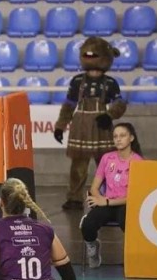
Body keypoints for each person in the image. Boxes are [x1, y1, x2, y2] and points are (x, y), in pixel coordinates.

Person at [54, 37, 127, 210]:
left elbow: (120, 103)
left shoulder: (110, 83)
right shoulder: (77, 81)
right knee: (78, 165)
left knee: (107, 164)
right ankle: (74, 198)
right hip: (81, 125)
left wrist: (109, 115)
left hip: (102, 125)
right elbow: (69, 104)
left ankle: (111, 195)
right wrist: (60, 126)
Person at [81, 122, 143, 268]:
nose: (118, 139)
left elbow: (135, 196)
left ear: (131, 138)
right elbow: (95, 187)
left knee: (126, 222)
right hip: (106, 202)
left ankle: (132, 257)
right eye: (115, 136)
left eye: (122, 136)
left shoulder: (138, 162)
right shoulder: (107, 158)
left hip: (125, 204)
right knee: (87, 225)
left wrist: (106, 202)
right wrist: (99, 199)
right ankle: (93, 247)